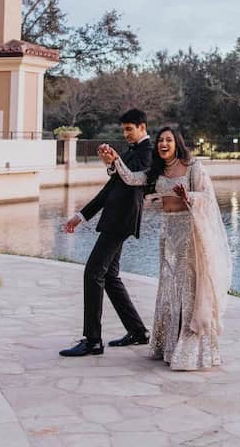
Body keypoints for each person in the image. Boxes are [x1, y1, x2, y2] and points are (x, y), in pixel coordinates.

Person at [104, 126, 233, 370]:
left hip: (188, 232)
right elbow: (132, 179)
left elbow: (208, 196)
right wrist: (115, 161)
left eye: (168, 140)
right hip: (167, 232)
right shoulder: (157, 171)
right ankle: (167, 346)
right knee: (168, 287)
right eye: (160, 140)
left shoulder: (193, 167)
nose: (163, 144)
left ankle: (189, 350)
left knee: (186, 288)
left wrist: (189, 196)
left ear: (177, 143)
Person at [58, 109, 152, 357]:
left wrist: (115, 161)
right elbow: (111, 188)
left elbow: (132, 180)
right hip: (114, 218)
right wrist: (80, 216)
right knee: (109, 276)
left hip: (122, 220)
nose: (126, 134)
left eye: (129, 129)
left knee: (93, 273)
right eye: (124, 130)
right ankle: (138, 331)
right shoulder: (132, 151)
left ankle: (93, 340)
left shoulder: (147, 151)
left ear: (142, 127)